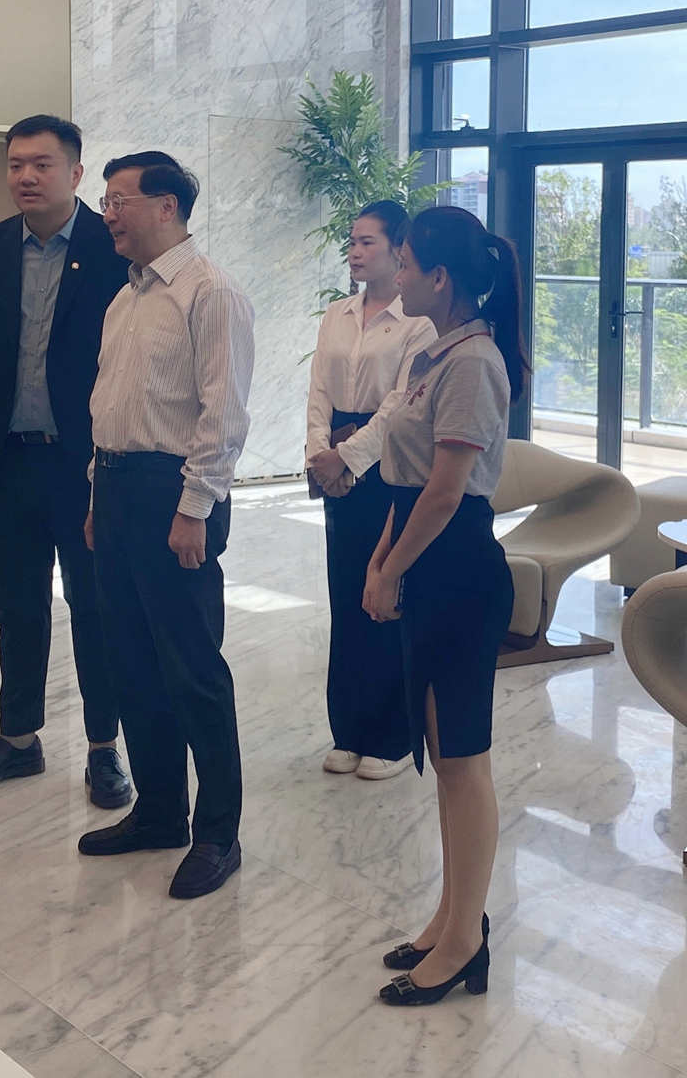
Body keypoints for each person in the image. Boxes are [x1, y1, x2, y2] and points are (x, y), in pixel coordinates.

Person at [0, 115, 131, 809]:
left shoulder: (111, 247)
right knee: (16, 606)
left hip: (85, 466)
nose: (26, 177)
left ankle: (103, 747)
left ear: (76, 173)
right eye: (16, 165)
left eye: (41, 164)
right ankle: (19, 738)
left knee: (93, 605)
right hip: (6, 460)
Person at [77, 151, 255, 901]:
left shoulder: (211, 291)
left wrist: (194, 507)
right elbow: (110, 404)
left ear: (167, 207)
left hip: (173, 493)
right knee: (131, 660)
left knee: (192, 668)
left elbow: (224, 414)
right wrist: (97, 495)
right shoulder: (126, 297)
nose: (107, 213)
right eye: (106, 200)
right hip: (117, 488)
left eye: (118, 200)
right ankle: (158, 811)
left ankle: (218, 832)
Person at [365, 205, 527, 1008]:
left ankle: (466, 938)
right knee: (443, 752)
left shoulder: (474, 363)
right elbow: (408, 476)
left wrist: (393, 566)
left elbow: (447, 489)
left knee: (464, 759)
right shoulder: (436, 353)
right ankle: (451, 916)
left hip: (458, 565)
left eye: (404, 260)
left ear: (439, 277)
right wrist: (381, 557)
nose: (394, 272)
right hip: (427, 552)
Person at [306, 201, 436, 781]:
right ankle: (349, 730)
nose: (355, 252)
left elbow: (398, 408)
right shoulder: (337, 313)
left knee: (384, 593)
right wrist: (320, 456)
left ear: (398, 250)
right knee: (345, 595)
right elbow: (318, 391)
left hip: (388, 464)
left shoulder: (418, 321)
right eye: (352, 242)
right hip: (335, 461)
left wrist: (349, 459)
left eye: (367, 243)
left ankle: (392, 736)